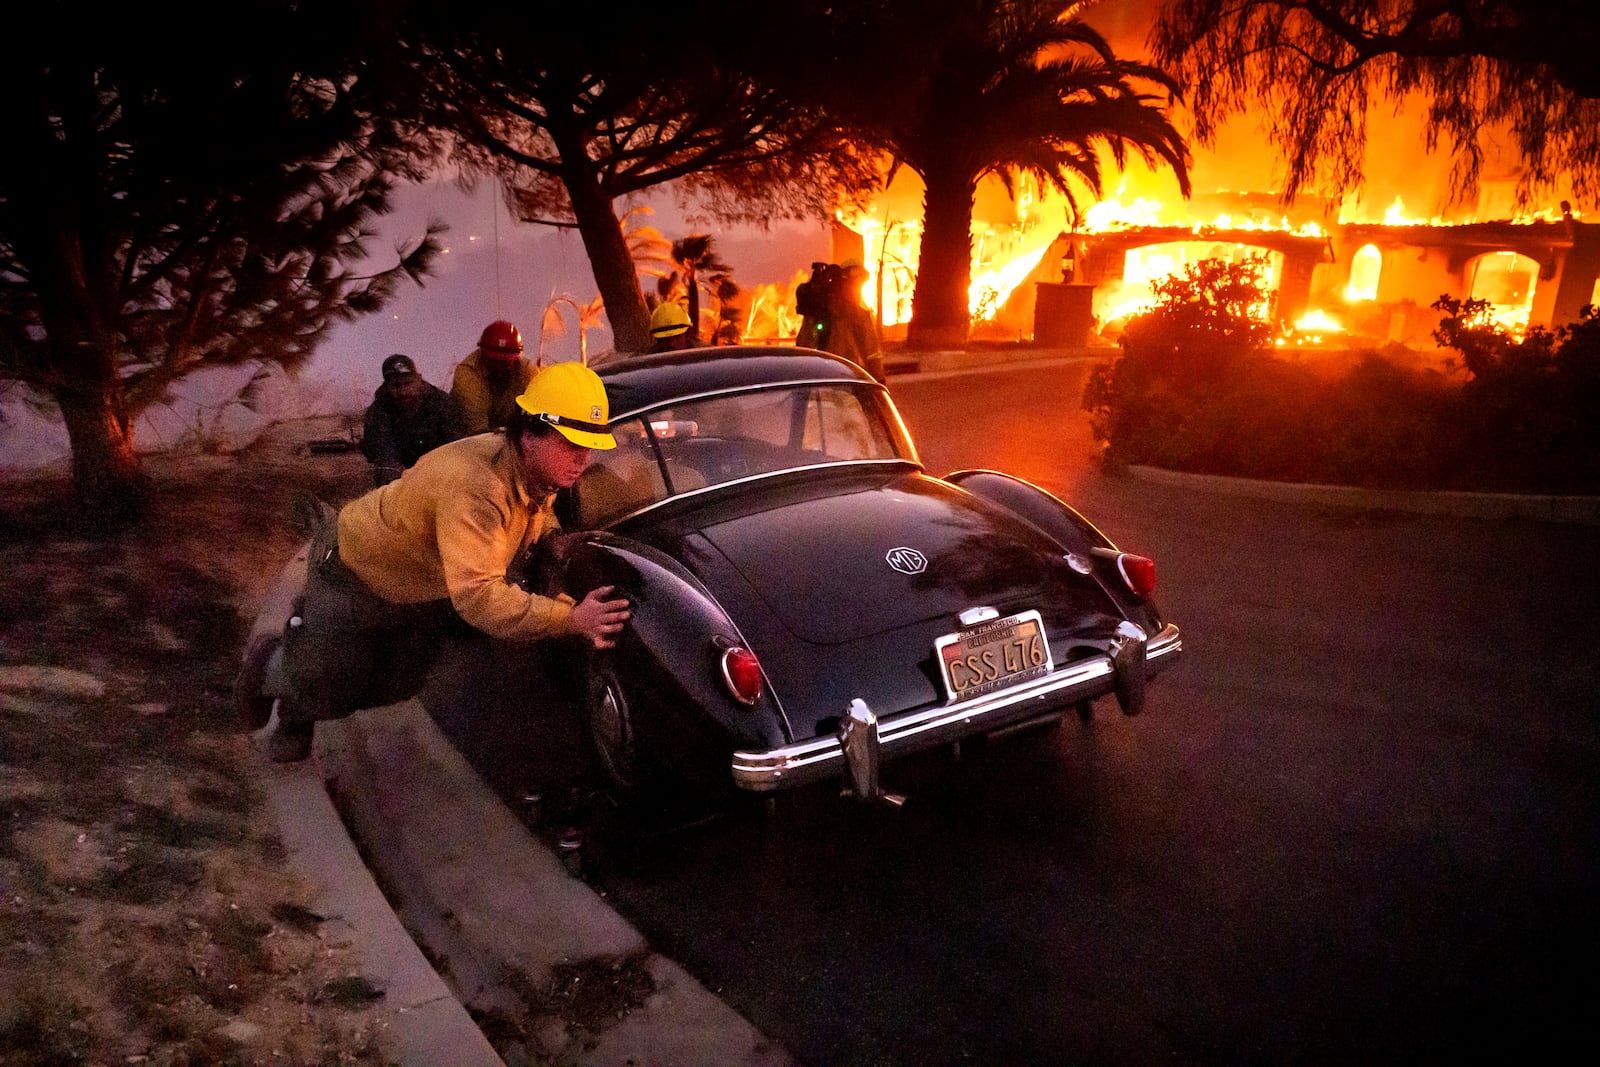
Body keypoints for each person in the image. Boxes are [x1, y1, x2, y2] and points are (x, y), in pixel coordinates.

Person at [267, 362, 633, 763]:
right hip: (354, 569)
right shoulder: (477, 488)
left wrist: (551, 537)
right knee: (329, 684)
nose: (583, 459)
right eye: (571, 444)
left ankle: (308, 654)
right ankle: (276, 673)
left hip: (418, 584)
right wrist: (570, 618)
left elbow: (535, 510)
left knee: (399, 685)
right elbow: (478, 595)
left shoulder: (533, 468)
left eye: (590, 447)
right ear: (530, 433)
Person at [361, 353, 470, 486]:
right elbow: (383, 452)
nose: (403, 391)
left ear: (419, 379)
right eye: (396, 385)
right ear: (387, 386)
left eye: (408, 383)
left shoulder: (441, 403)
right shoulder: (378, 412)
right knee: (386, 471)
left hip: (437, 464)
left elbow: (456, 444)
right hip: (401, 470)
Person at [450, 319, 539, 433]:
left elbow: (538, 413)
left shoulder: (528, 371)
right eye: (493, 360)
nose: (499, 366)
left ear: (517, 356)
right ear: (482, 352)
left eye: (504, 362)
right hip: (469, 438)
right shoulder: (467, 374)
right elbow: (477, 429)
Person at [821, 261, 886, 383]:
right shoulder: (860, 315)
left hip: (827, 375)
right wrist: (879, 378)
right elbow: (872, 351)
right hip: (854, 374)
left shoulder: (822, 312)